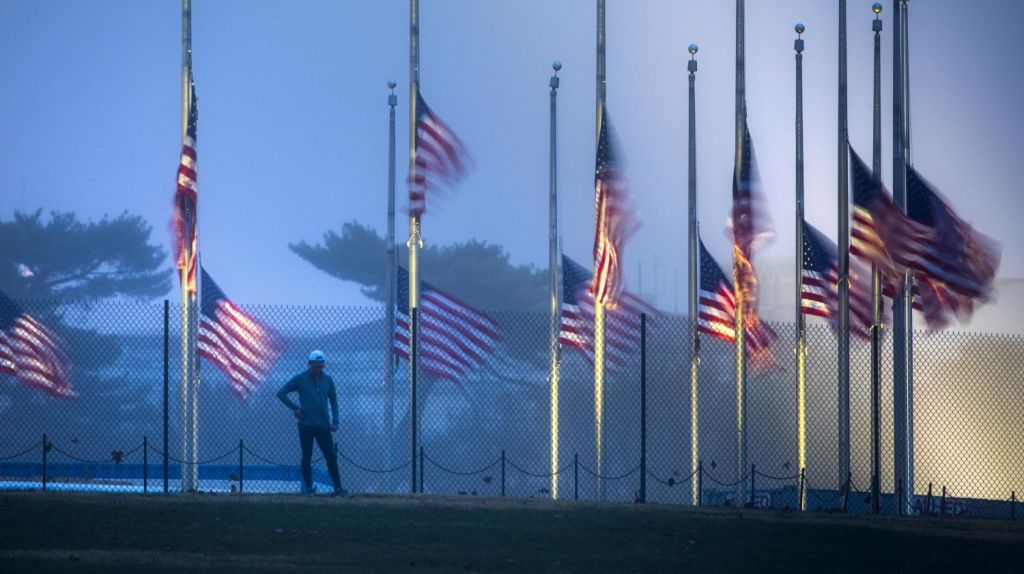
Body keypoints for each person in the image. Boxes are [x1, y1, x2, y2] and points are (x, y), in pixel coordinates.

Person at [276, 350, 345, 496]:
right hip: (306, 425)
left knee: (330, 456)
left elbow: (334, 401)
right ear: (309, 364)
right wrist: (295, 408)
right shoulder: (300, 379)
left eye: (321, 366)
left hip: (323, 425)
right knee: (307, 455)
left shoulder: (328, 380)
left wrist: (335, 421)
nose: (318, 369)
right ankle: (308, 488)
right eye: (315, 366)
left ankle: (338, 488)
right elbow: (281, 393)